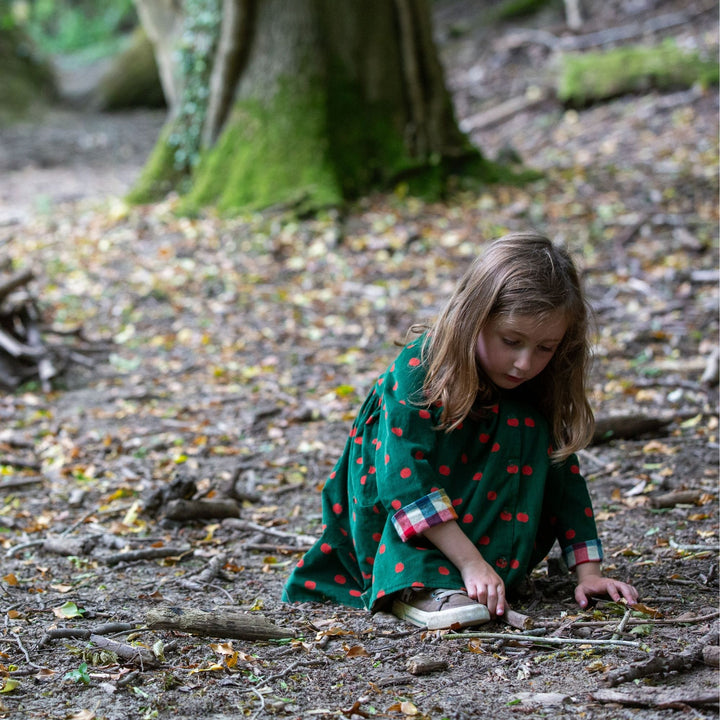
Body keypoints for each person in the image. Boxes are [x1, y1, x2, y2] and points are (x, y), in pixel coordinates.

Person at [282, 232, 638, 630]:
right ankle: (418, 585)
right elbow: (405, 482)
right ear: (474, 317)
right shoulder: (420, 371)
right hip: (401, 518)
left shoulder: (535, 384)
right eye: (511, 341)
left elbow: (562, 475)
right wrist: (471, 564)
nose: (524, 362)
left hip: (491, 535)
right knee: (411, 508)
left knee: (529, 427)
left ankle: (481, 576)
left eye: (544, 347)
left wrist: (589, 574)